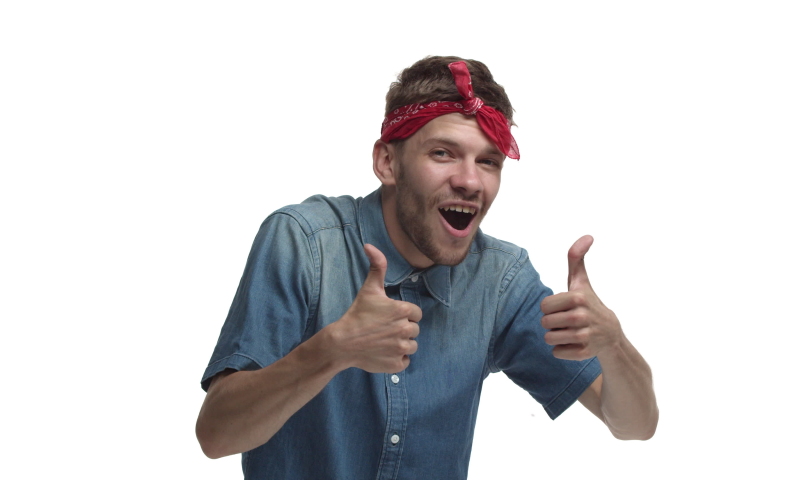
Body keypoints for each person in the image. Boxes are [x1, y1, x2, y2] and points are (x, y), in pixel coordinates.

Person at [196, 56, 658, 479]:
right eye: (443, 153)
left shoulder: (500, 279)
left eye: (488, 161)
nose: (469, 180)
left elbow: (634, 425)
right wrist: (330, 351)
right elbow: (216, 435)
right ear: (386, 162)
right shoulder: (304, 242)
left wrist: (614, 344)